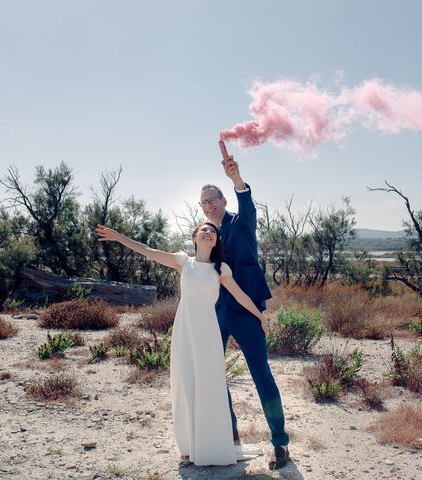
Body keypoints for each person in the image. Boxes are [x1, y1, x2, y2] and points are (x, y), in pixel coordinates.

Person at [95, 222, 264, 467]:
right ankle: (188, 448)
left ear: (216, 241)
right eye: (204, 230)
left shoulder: (221, 269)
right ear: (195, 237)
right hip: (185, 329)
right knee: (185, 383)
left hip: (208, 331)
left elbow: (240, 295)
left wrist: (260, 316)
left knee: (210, 384)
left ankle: (211, 446)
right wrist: (118, 237)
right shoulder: (183, 261)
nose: (209, 233)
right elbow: (147, 250)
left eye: (213, 232)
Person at [199, 154, 291, 469]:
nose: (208, 205)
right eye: (203, 203)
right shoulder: (206, 235)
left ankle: (280, 444)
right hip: (219, 310)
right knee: (214, 373)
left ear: (223, 199)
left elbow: (247, 202)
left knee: (261, 375)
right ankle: (231, 437)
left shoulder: (242, 223)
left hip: (248, 311)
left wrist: (236, 179)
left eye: (212, 199)